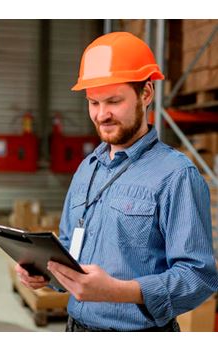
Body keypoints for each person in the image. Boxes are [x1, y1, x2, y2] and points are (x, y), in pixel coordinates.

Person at [16, 32, 218, 332]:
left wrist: (118, 291)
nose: (101, 115)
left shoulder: (176, 175)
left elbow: (198, 277)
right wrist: (48, 274)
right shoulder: (87, 169)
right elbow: (72, 250)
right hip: (76, 329)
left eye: (113, 101)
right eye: (93, 102)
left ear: (146, 94)